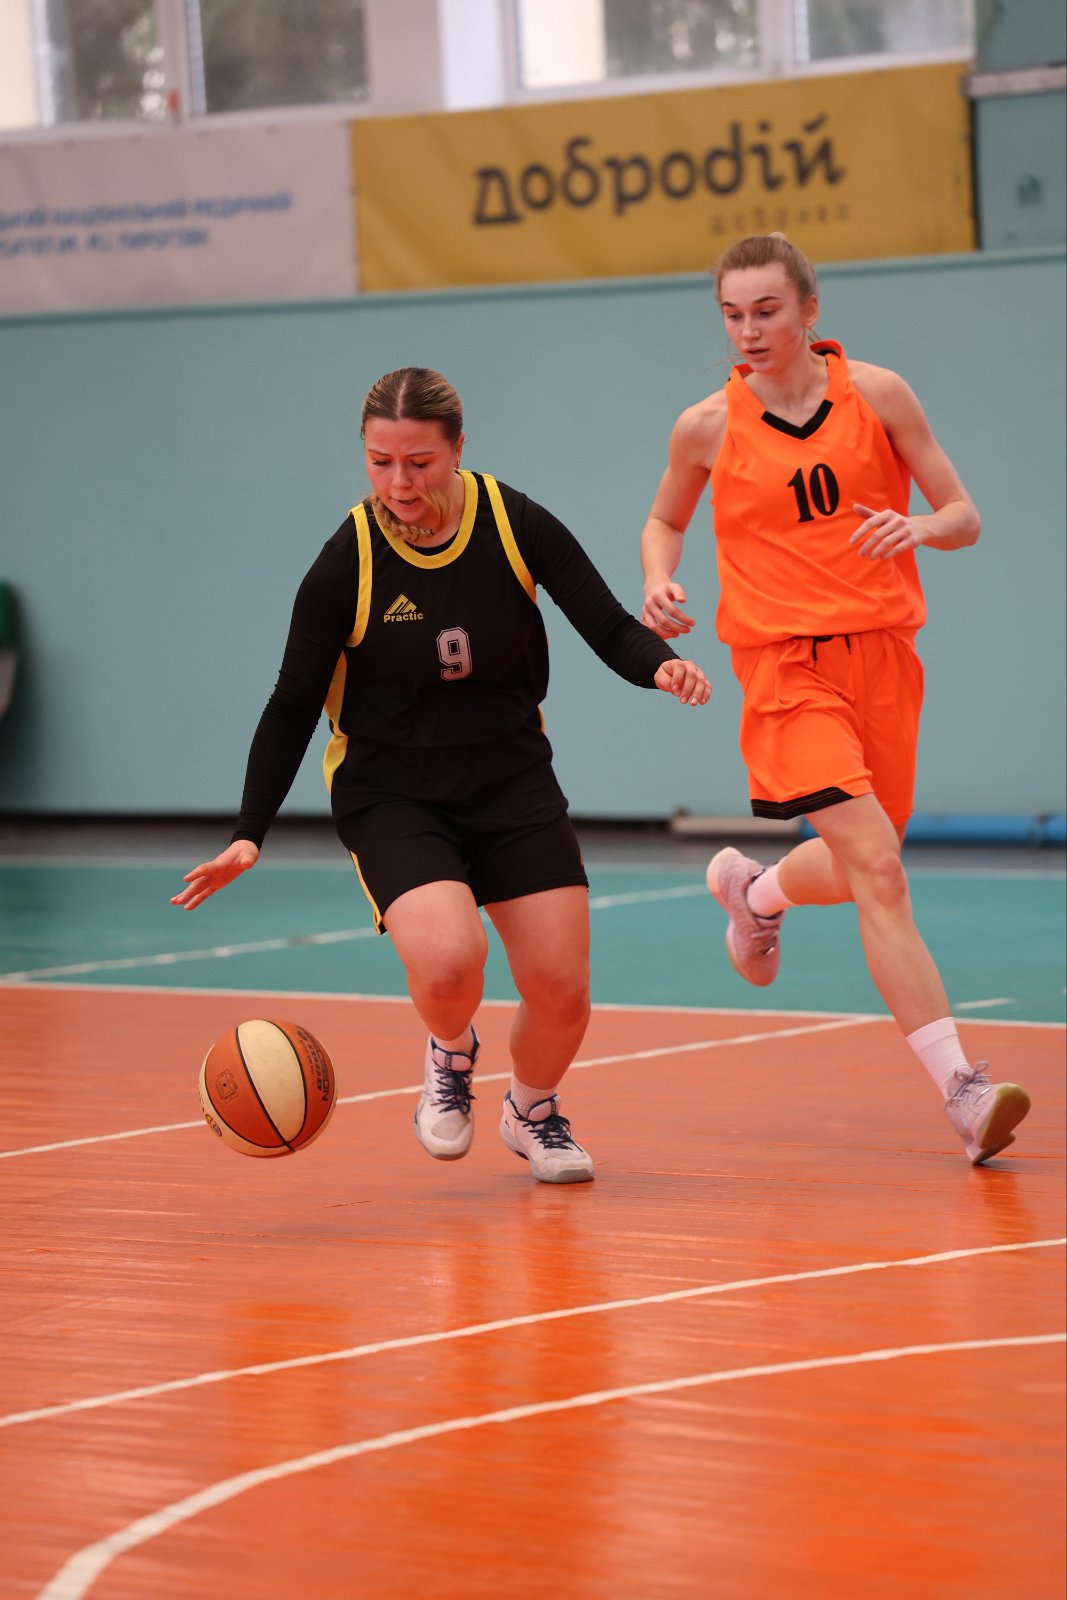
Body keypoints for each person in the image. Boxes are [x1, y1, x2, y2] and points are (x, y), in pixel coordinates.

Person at [172, 366, 710, 1184]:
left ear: (458, 449)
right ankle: (450, 1052)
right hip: (392, 792)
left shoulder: (511, 521)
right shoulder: (346, 562)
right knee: (452, 963)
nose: (399, 482)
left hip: (509, 778)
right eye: (380, 462)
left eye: (418, 462)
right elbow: (291, 705)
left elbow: (604, 622)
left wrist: (659, 666)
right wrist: (250, 833)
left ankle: (532, 1112)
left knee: (562, 992)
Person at [639, 233, 1031, 1166]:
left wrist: (918, 528)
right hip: (782, 666)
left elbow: (964, 515)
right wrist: (658, 579)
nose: (748, 330)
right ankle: (963, 1091)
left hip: (884, 657)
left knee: (867, 861)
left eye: (765, 310)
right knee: (880, 872)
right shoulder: (706, 425)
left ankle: (755, 890)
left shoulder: (879, 395)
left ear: (809, 310)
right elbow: (664, 517)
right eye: (732, 315)